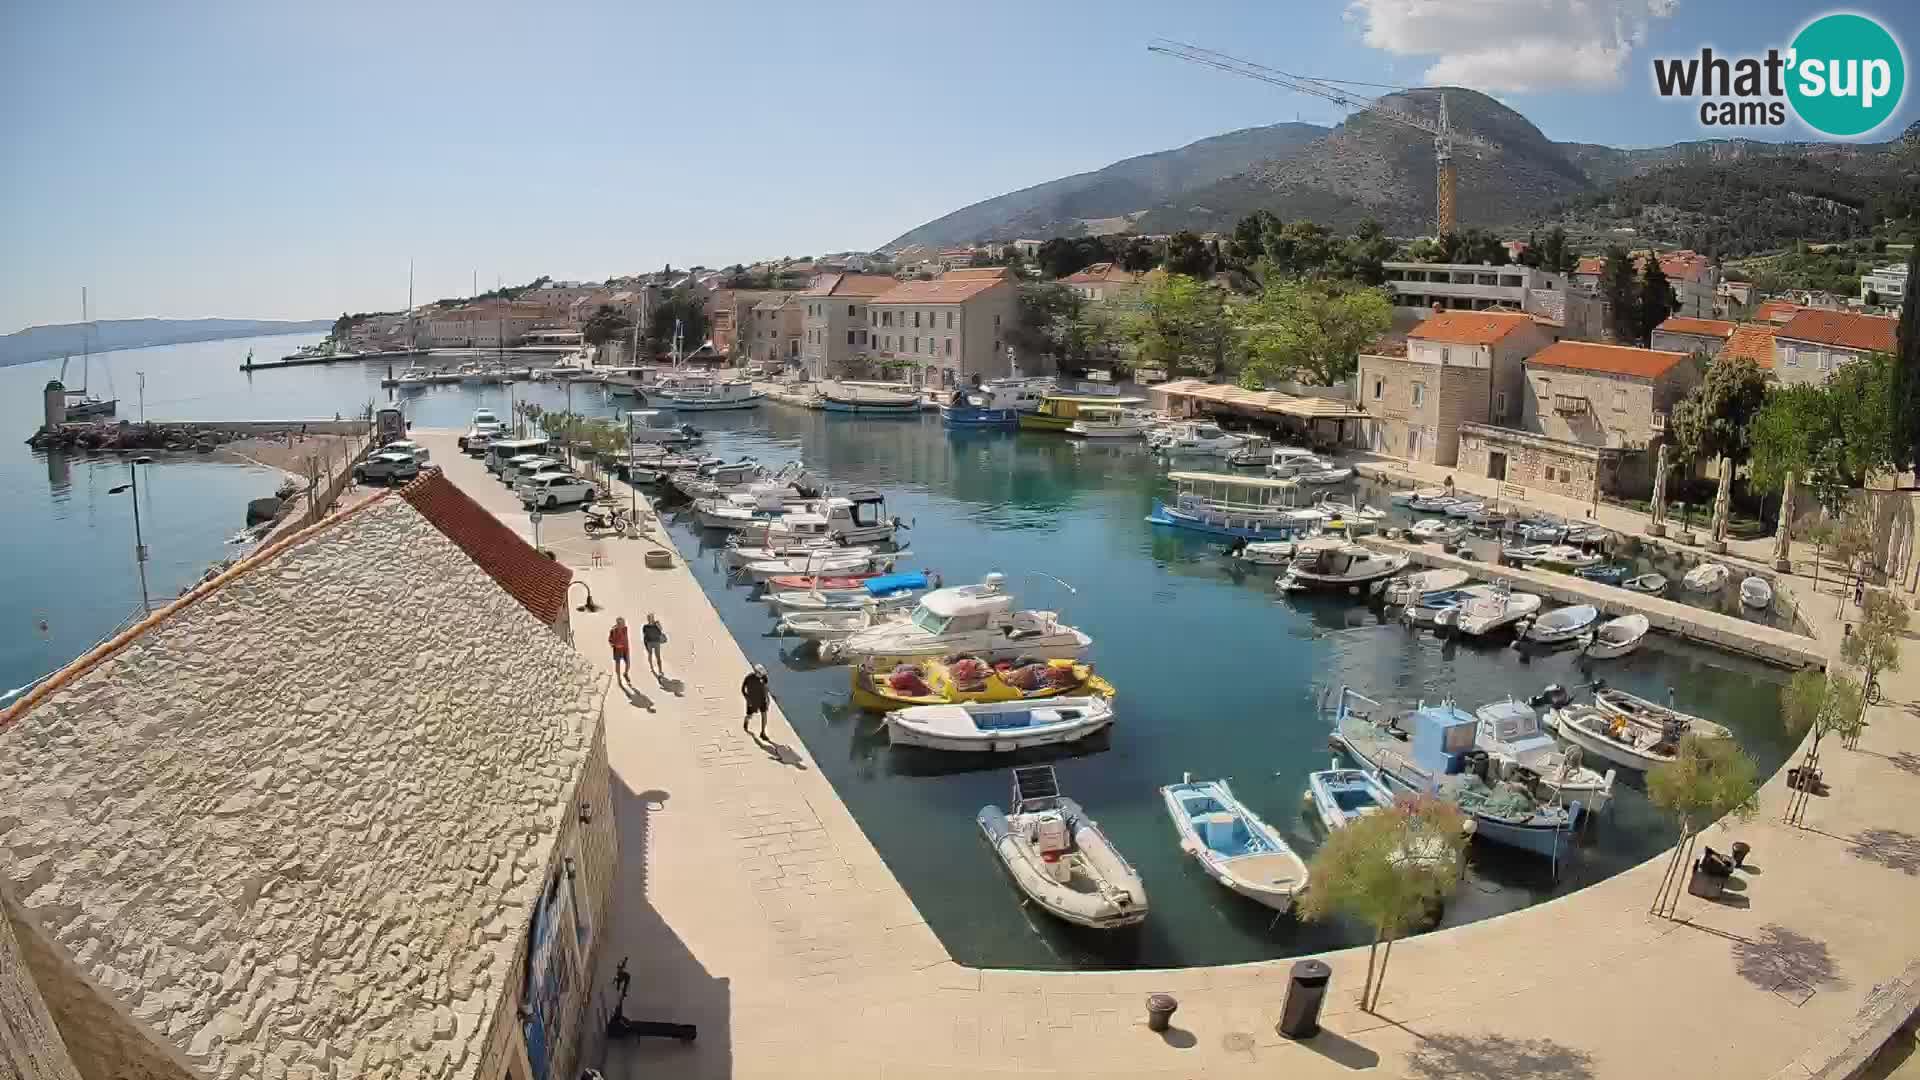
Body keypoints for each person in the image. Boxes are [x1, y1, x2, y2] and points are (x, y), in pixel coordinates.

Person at [742, 663, 770, 738]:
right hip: (752, 700)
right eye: (759, 673)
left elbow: (765, 689)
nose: (761, 675)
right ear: (755, 671)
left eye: (762, 673)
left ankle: (763, 733)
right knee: (749, 715)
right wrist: (747, 698)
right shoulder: (749, 678)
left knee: (764, 716)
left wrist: (767, 699)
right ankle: (746, 721)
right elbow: (743, 689)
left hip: (762, 700)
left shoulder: (764, 678)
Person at [641, 613, 667, 678]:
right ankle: (651, 667)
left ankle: (660, 670)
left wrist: (658, 625)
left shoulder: (656, 625)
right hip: (649, 642)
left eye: (652, 617)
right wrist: (645, 644)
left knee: (658, 656)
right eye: (649, 618)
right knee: (650, 654)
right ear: (648, 619)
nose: (650, 619)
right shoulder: (645, 626)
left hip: (656, 642)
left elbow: (661, 630)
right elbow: (645, 636)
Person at [609, 617, 632, 682]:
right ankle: (619, 678)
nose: (622, 624)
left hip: (625, 649)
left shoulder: (625, 629)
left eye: (623, 622)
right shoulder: (613, 631)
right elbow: (610, 640)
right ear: (617, 623)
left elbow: (624, 637)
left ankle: (625, 673)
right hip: (617, 650)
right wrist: (614, 645)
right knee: (618, 664)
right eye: (620, 623)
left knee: (628, 664)